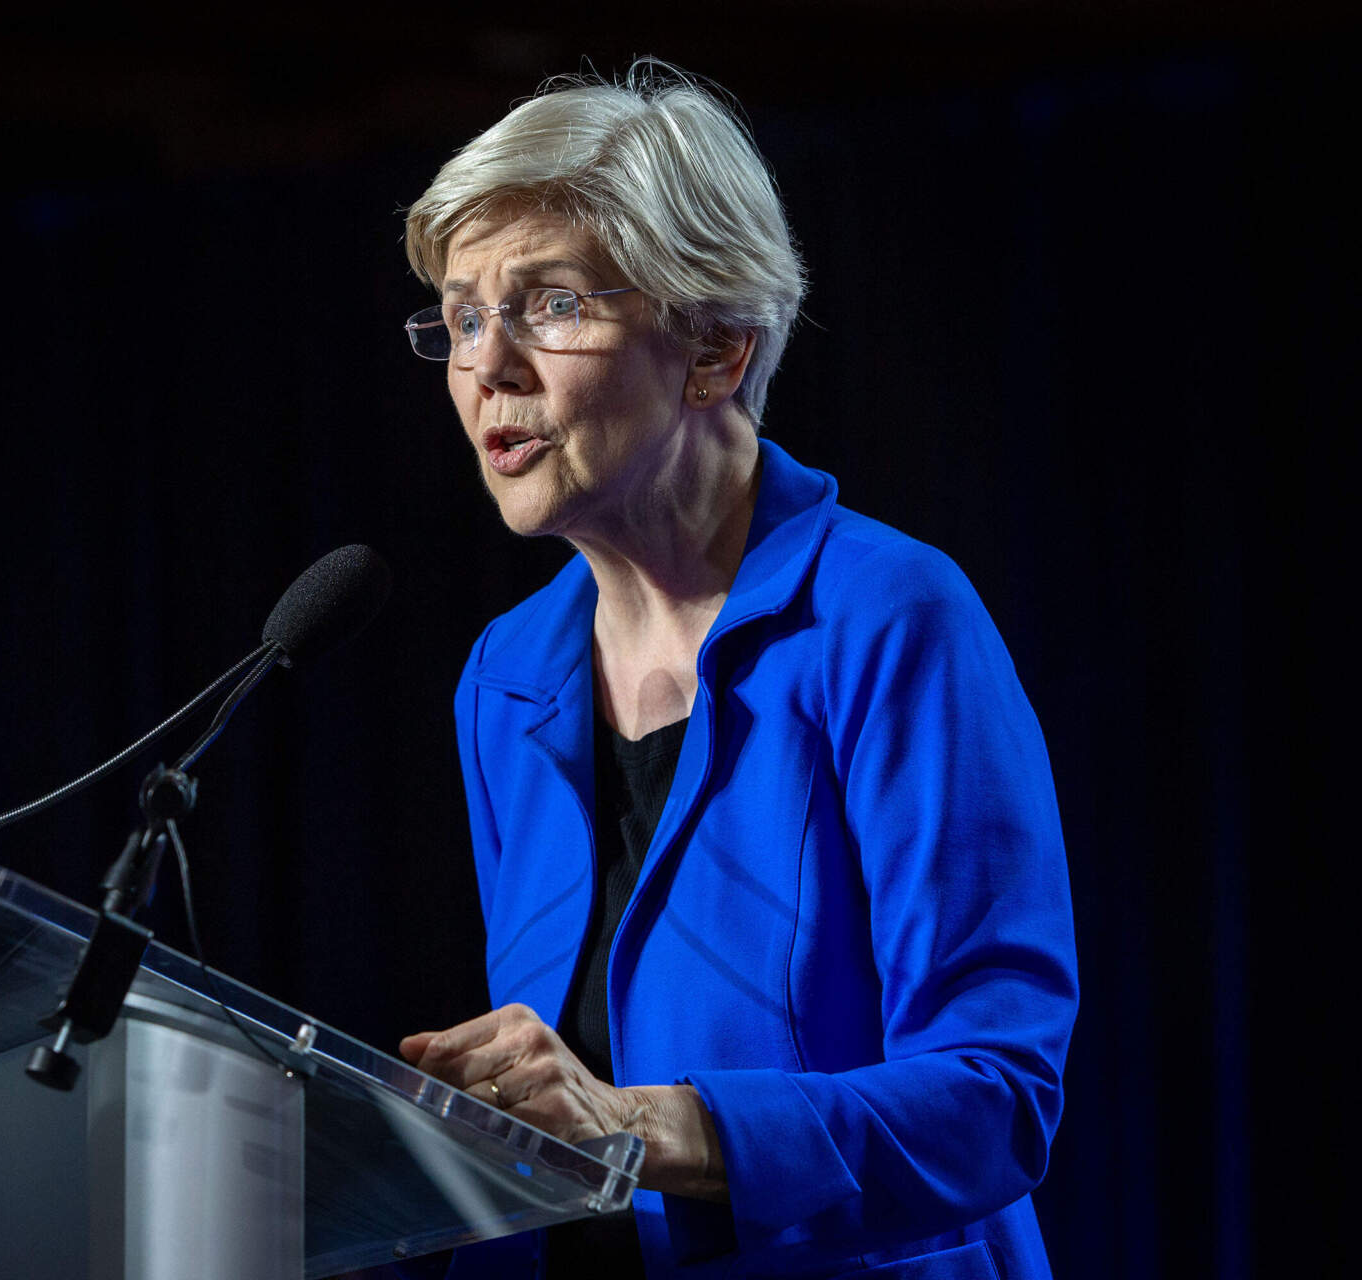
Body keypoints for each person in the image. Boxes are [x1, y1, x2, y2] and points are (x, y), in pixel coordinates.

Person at [393, 63, 1077, 1280]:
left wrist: (649, 1126)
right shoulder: (508, 680)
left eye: (548, 304)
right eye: (460, 317)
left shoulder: (889, 620)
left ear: (715, 348)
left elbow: (995, 1097)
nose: (488, 366)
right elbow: (556, 1113)